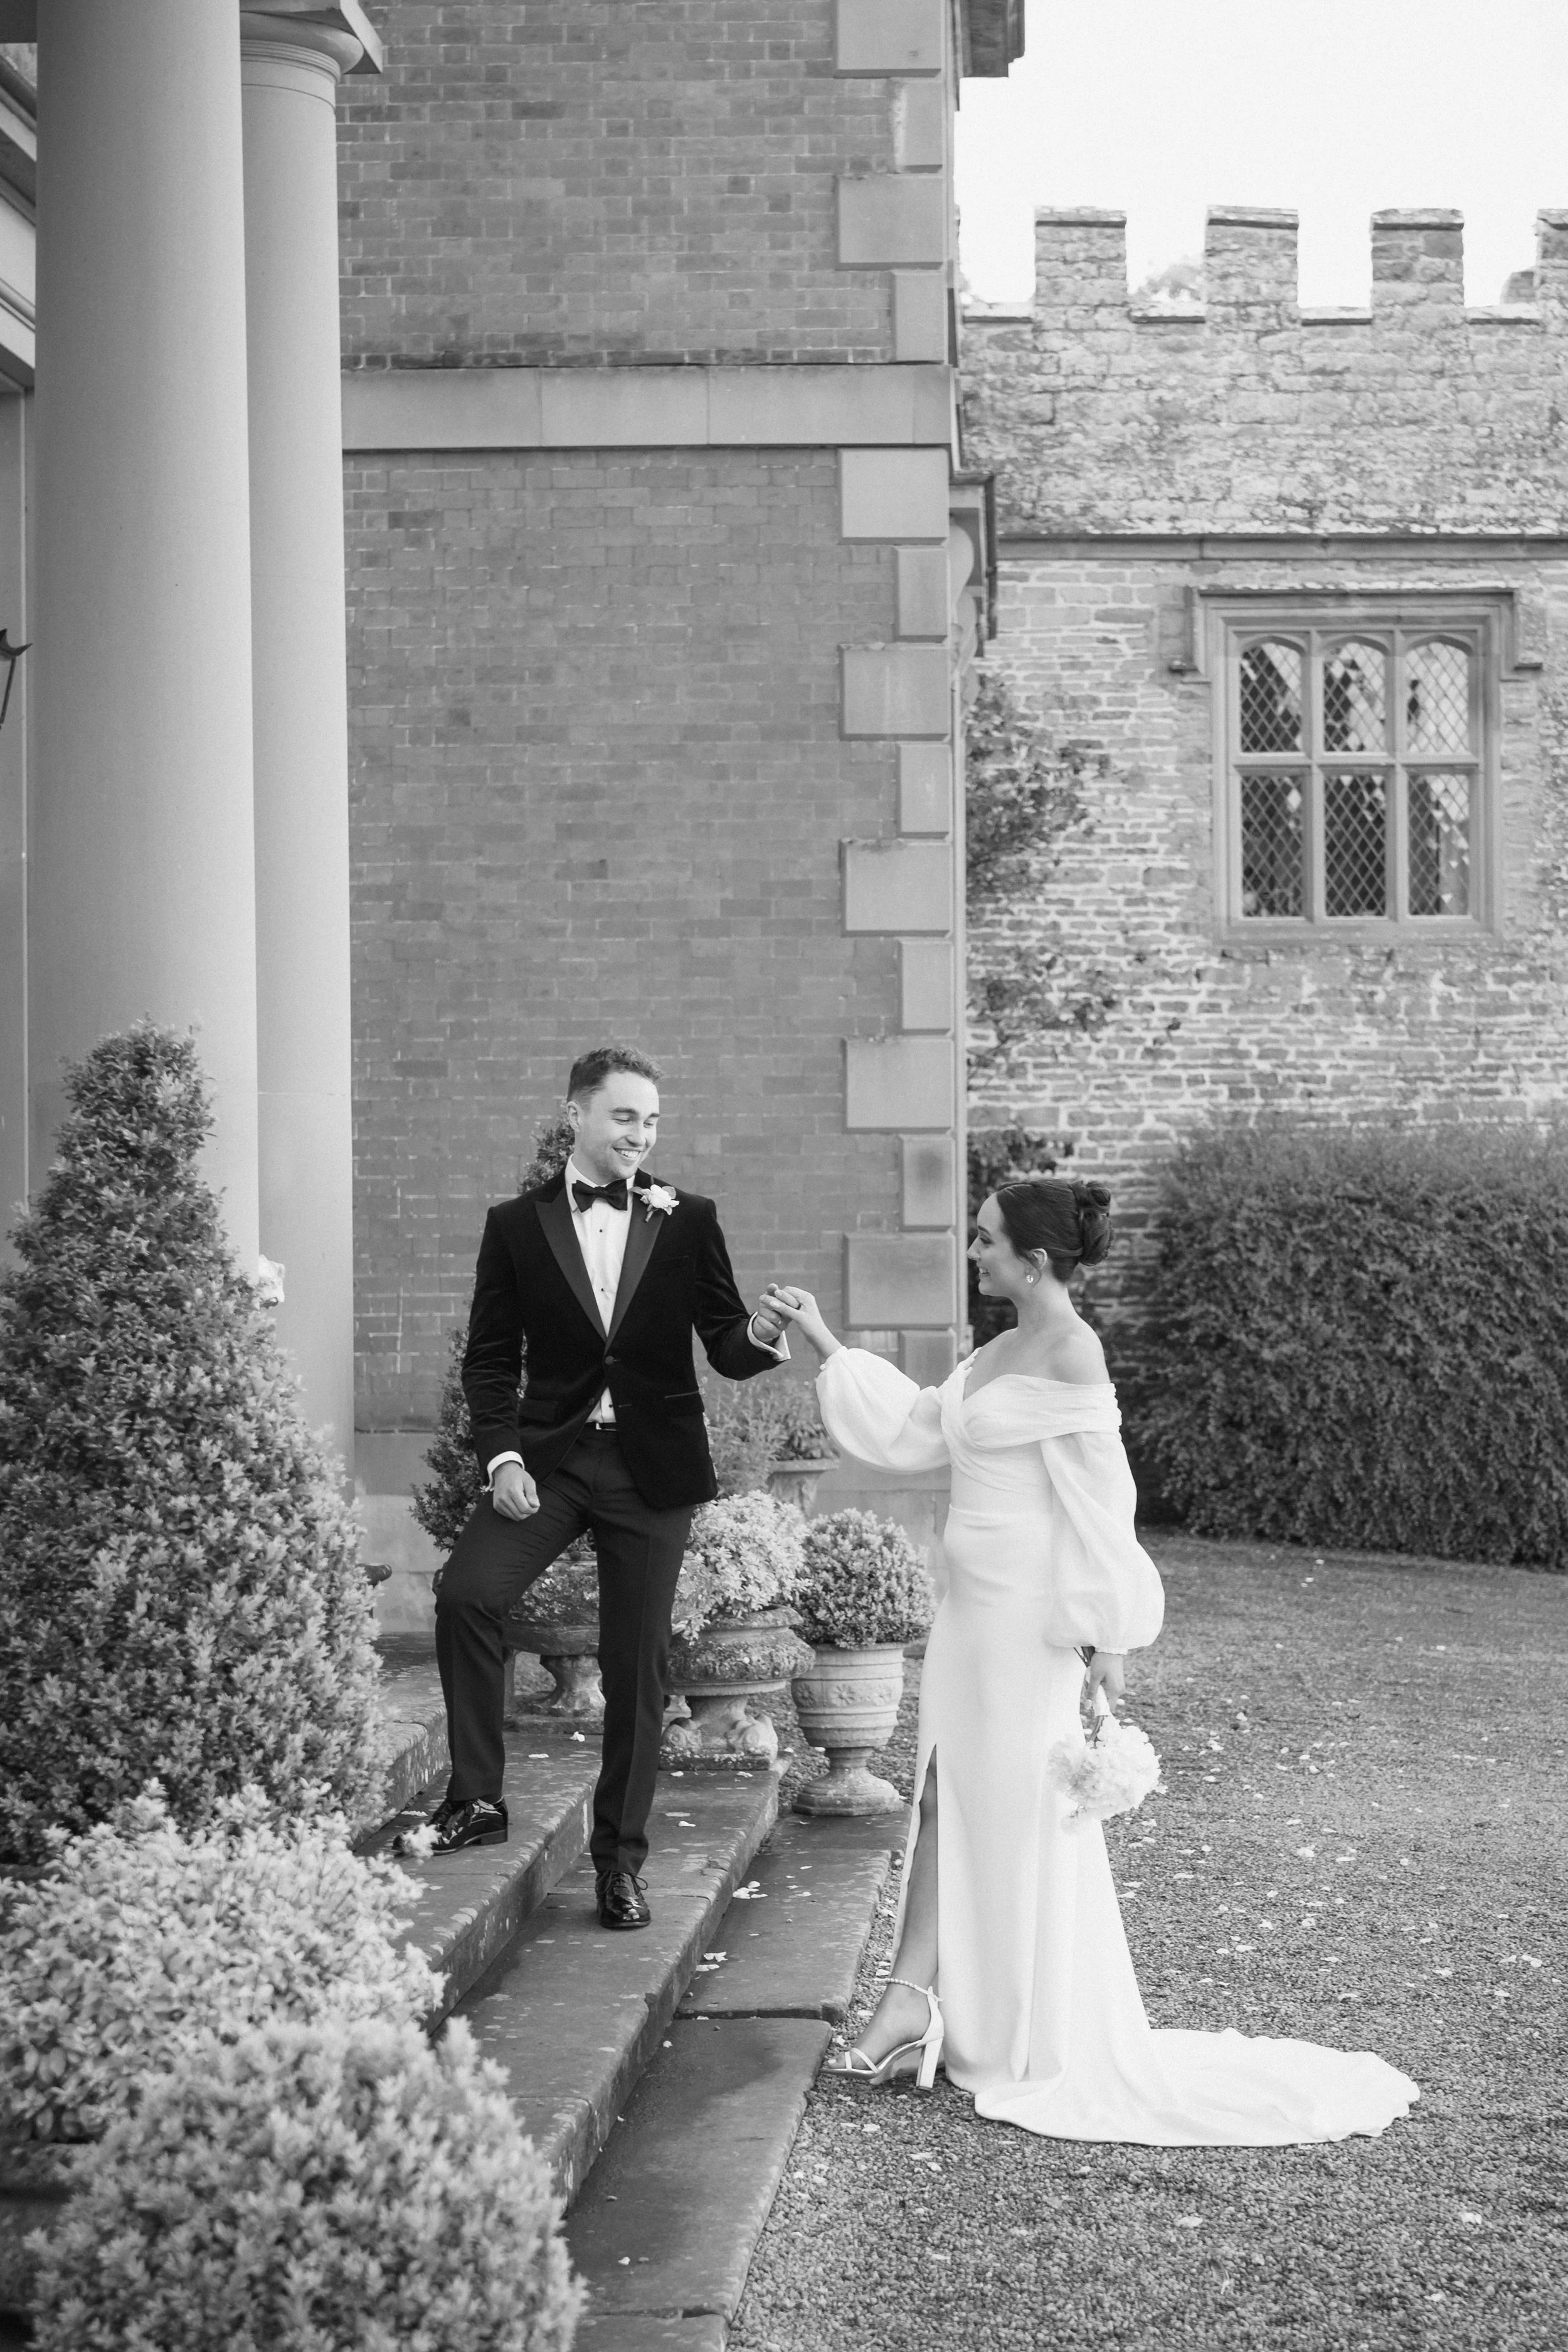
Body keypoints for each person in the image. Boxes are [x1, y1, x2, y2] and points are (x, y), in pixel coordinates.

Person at [768, 1177, 1418, 2143]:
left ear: (1033, 1262)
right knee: (942, 1790)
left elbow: (1101, 1496)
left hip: (1027, 1621)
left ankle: (1004, 2023)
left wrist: (1108, 1632)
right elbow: (919, 1428)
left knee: (1013, 1807)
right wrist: (825, 1339)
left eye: (987, 1240)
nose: (974, 1252)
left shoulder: (1073, 1351)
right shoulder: (995, 1348)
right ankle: (913, 2001)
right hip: (968, 1614)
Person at [400, 1046, 790, 1932]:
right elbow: (490, 1360)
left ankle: (620, 1863)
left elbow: (724, 1343)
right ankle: (477, 1798)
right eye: (624, 1117)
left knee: (636, 1664)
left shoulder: (688, 1217)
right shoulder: (516, 1225)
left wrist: (762, 1331)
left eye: (650, 1122)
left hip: (653, 1469)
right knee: (467, 1594)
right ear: (575, 1114)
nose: (639, 1135)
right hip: (551, 1459)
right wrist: (502, 1458)